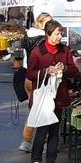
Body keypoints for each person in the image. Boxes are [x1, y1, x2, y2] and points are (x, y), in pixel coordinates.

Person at [26, 20, 78, 163]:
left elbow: (74, 71)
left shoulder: (65, 50)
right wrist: (46, 71)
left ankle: (51, 162)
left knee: (55, 131)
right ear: (48, 34)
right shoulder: (37, 51)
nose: (59, 36)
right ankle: (36, 160)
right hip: (43, 97)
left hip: (59, 96)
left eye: (61, 33)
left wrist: (66, 68)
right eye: (57, 33)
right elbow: (29, 73)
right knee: (42, 130)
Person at [19, 12, 52, 153]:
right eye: (48, 22)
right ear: (40, 22)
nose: (50, 25)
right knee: (43, 110)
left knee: (34, 110)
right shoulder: (42, 39)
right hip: (39, 77)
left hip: (28, 76)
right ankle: (39, 143)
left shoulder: (28, 35)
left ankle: (26, 141)